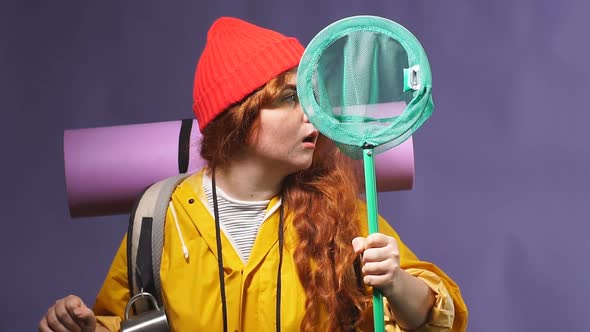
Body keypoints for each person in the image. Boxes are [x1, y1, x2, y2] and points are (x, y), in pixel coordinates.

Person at [39, 17, 468, 332]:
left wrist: (396, 281)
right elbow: (126, 321)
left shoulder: (336, 213)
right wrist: (85, 328)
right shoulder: (157, 219)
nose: (313, 114)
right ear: (236, 118)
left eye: (313, 97)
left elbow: (439, 319)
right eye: (288, 97)